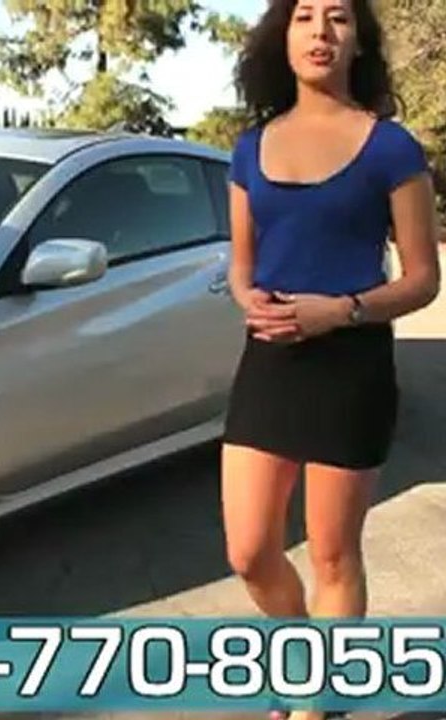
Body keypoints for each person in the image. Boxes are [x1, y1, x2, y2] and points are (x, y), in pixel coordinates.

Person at [219, 1, 441, 718]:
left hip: (351, 366)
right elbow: (241, 266)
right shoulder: (250, 149)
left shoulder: (391, 149)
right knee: (249, 551)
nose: (321, 32)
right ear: (281, 38)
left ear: (358, 43)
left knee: (333, 555)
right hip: (270, 361)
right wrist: (250, 300)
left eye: (338, 18)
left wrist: (340, 310)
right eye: (305, 16)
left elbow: (422, 279)